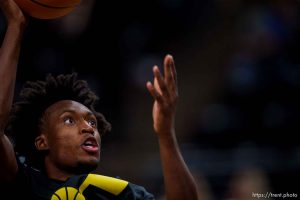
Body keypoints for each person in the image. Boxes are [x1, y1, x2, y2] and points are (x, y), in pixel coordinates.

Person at [0, 0, 199, 199]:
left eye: (92, 121)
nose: (89, 128)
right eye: (69, 120)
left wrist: (166, 134)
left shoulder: (121, 193)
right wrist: (16, 26)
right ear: (42, 142)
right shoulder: (24, 182)